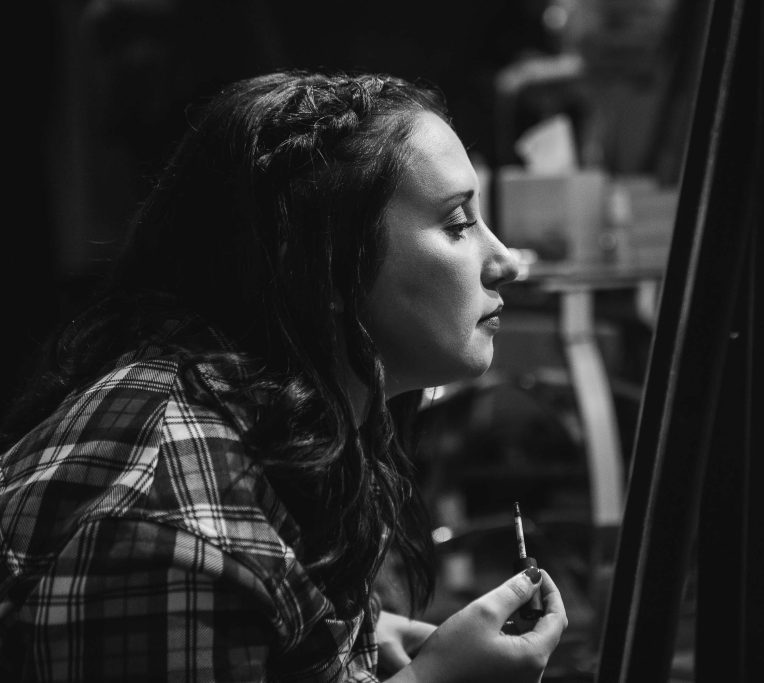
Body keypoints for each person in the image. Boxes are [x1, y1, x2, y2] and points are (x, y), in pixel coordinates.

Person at [0, 70, 567, 682]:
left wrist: (357, 641)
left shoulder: (291, 415)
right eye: (457, 222)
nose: (505, 261)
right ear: (324, 262)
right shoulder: (169, 530)